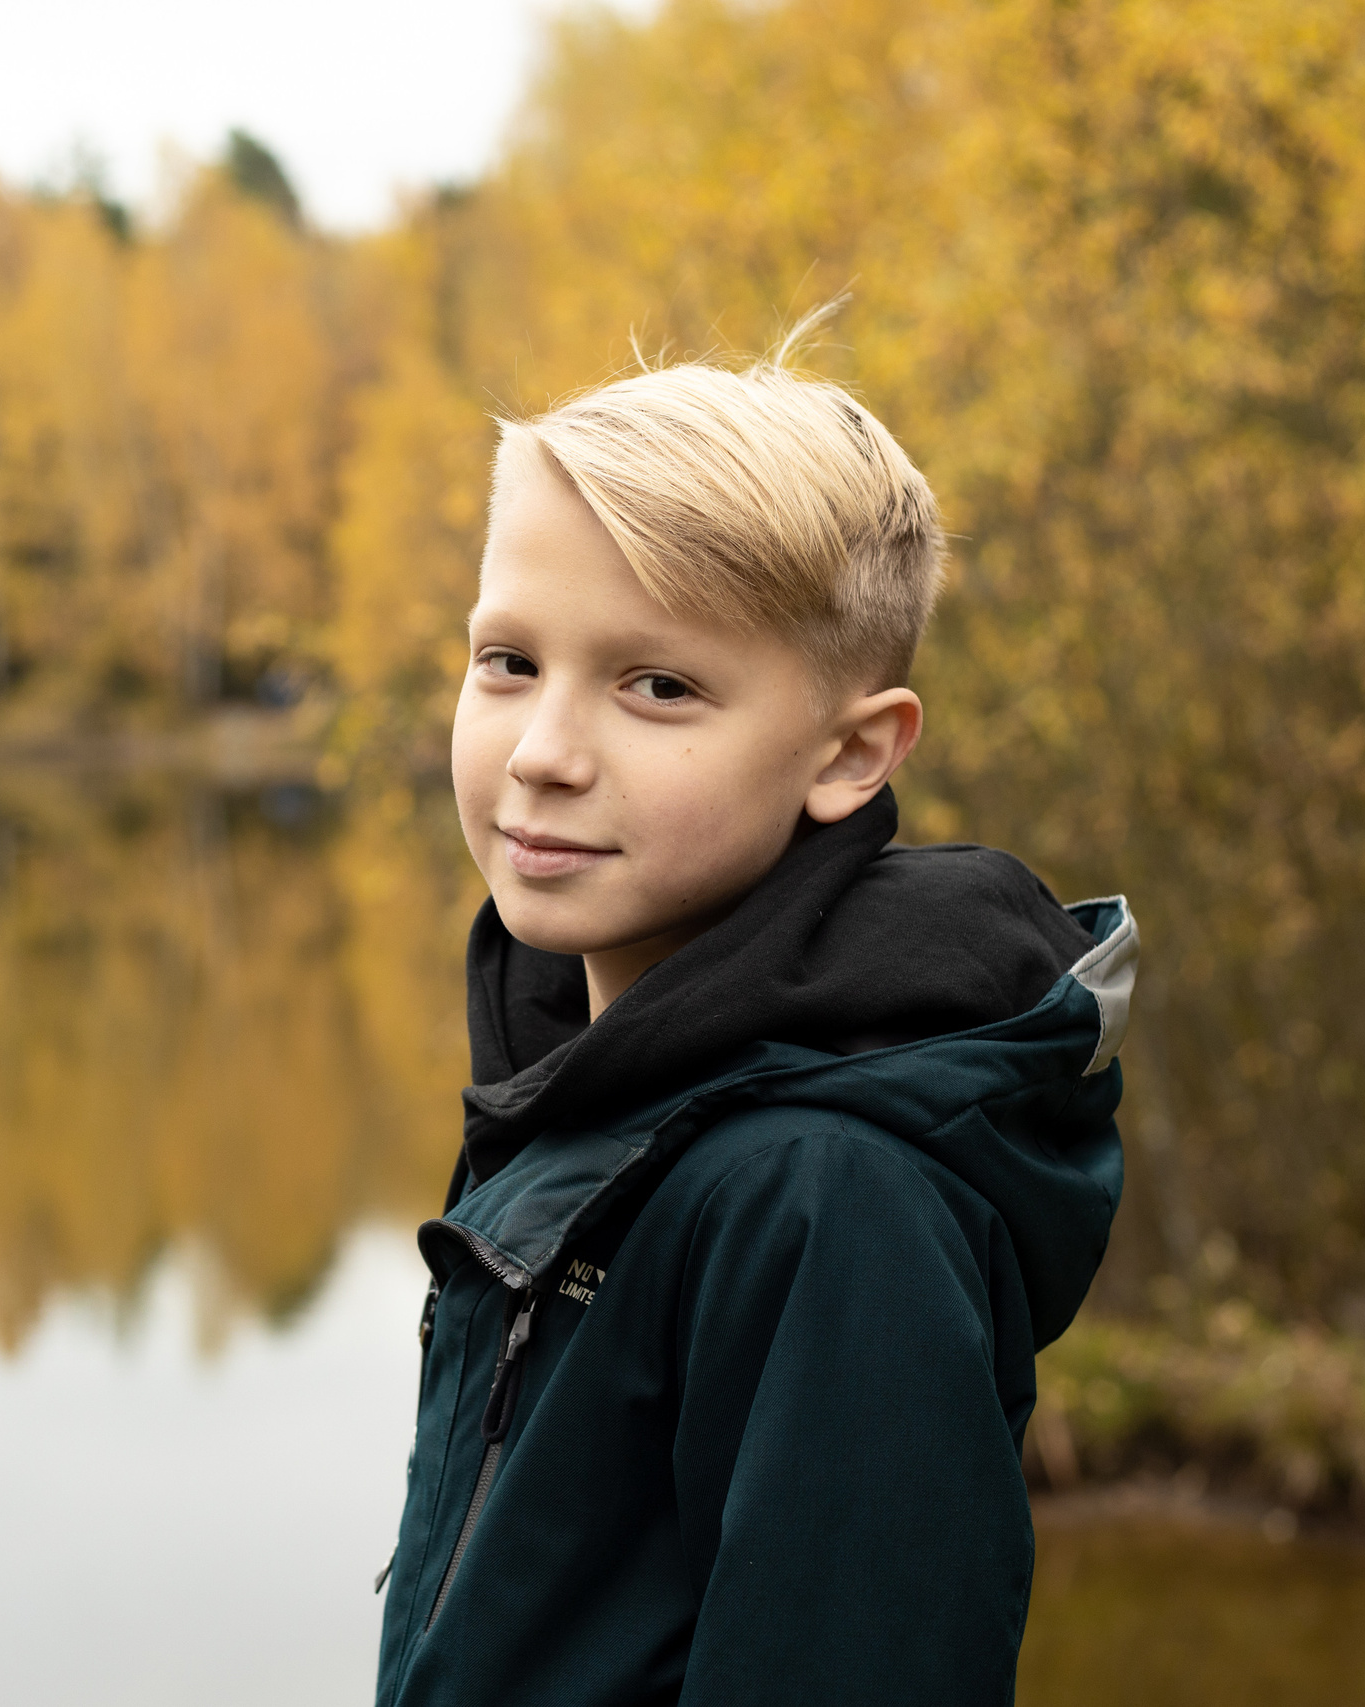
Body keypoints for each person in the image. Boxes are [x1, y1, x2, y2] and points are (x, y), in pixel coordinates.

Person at [371, 311, 1136, 1707]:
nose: (541, 754)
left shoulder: (825, 1198)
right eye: (509, 662)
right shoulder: (587, 1088)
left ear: (849, 754)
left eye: (657, 686)